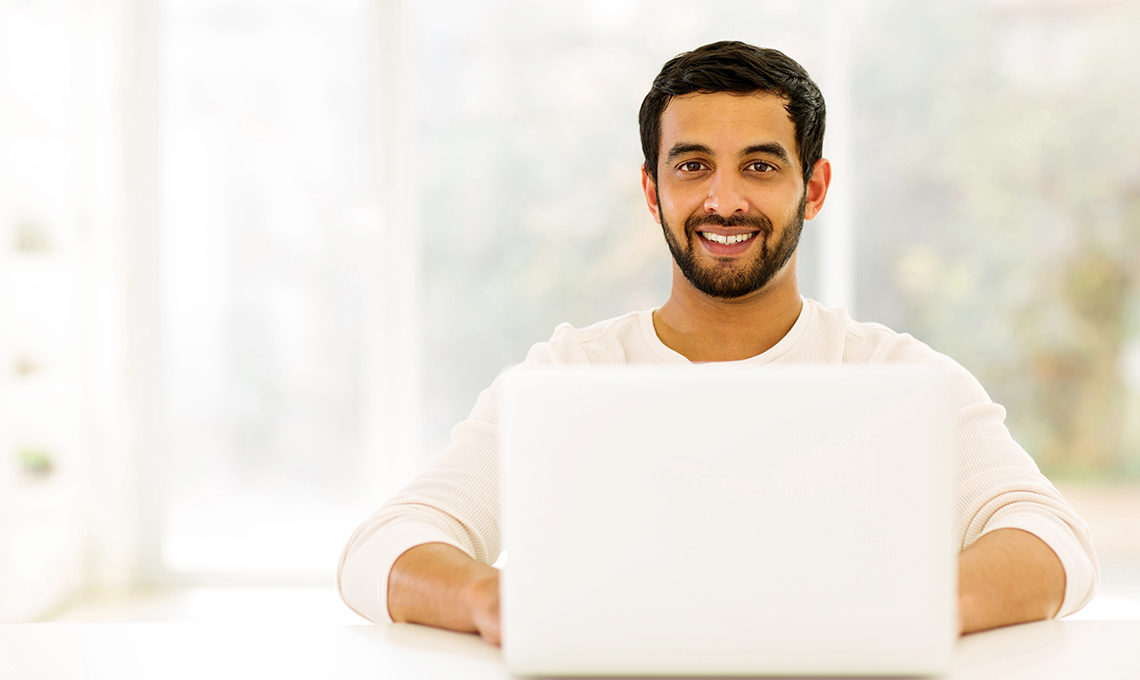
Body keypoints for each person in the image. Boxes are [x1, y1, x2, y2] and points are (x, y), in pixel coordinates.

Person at [337, 41, 1098, 646]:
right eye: (692, 165)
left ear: (815, 187)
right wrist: (495, 601)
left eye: (760, 166)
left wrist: (893, 608)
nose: (724, 200)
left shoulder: (895, 374)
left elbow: (1052, 543)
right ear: (651, 189)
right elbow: (383, 550)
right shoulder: (572, 374)